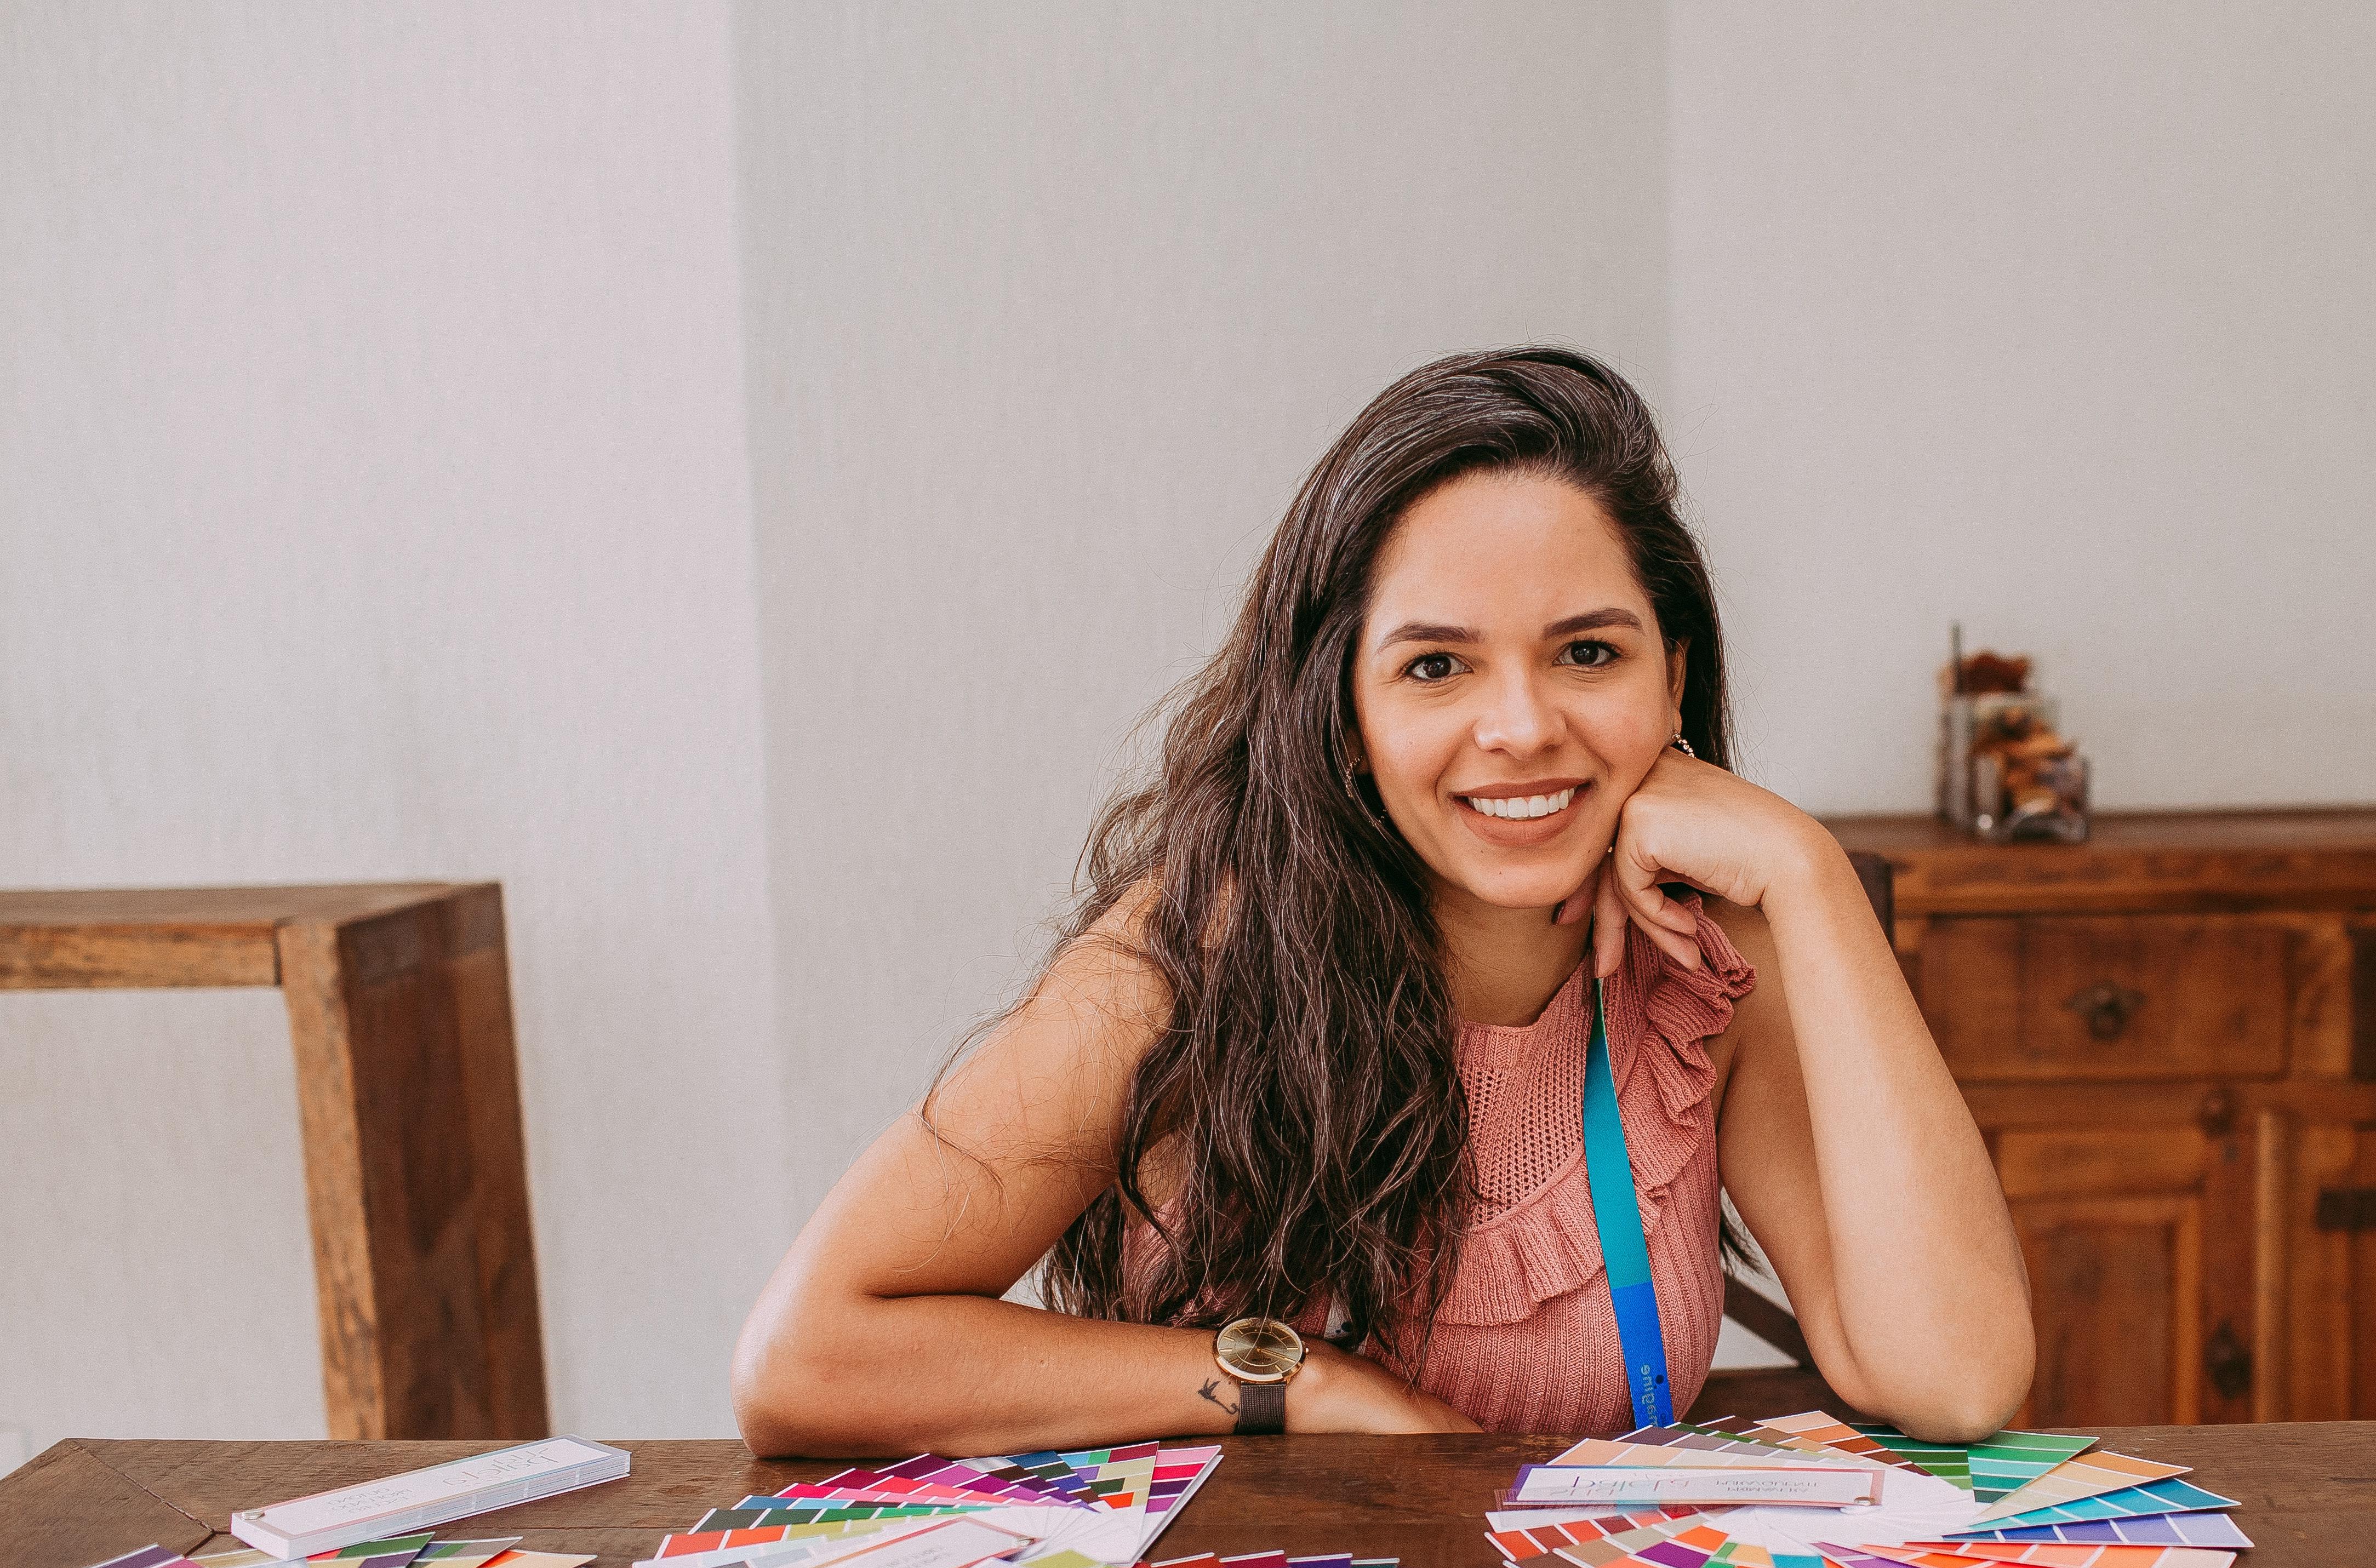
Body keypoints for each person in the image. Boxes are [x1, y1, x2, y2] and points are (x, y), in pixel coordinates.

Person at [732, 348, 2033, 1456]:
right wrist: (1302, 1383)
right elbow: (809, 1358)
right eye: (1435, 666)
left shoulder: (1711, 957)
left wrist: (1810, 876)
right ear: (1342, 712)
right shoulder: (1203, 949)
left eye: (1588, 652)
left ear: (1672, 672)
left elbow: (1957, 1380)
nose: (1521, 727)